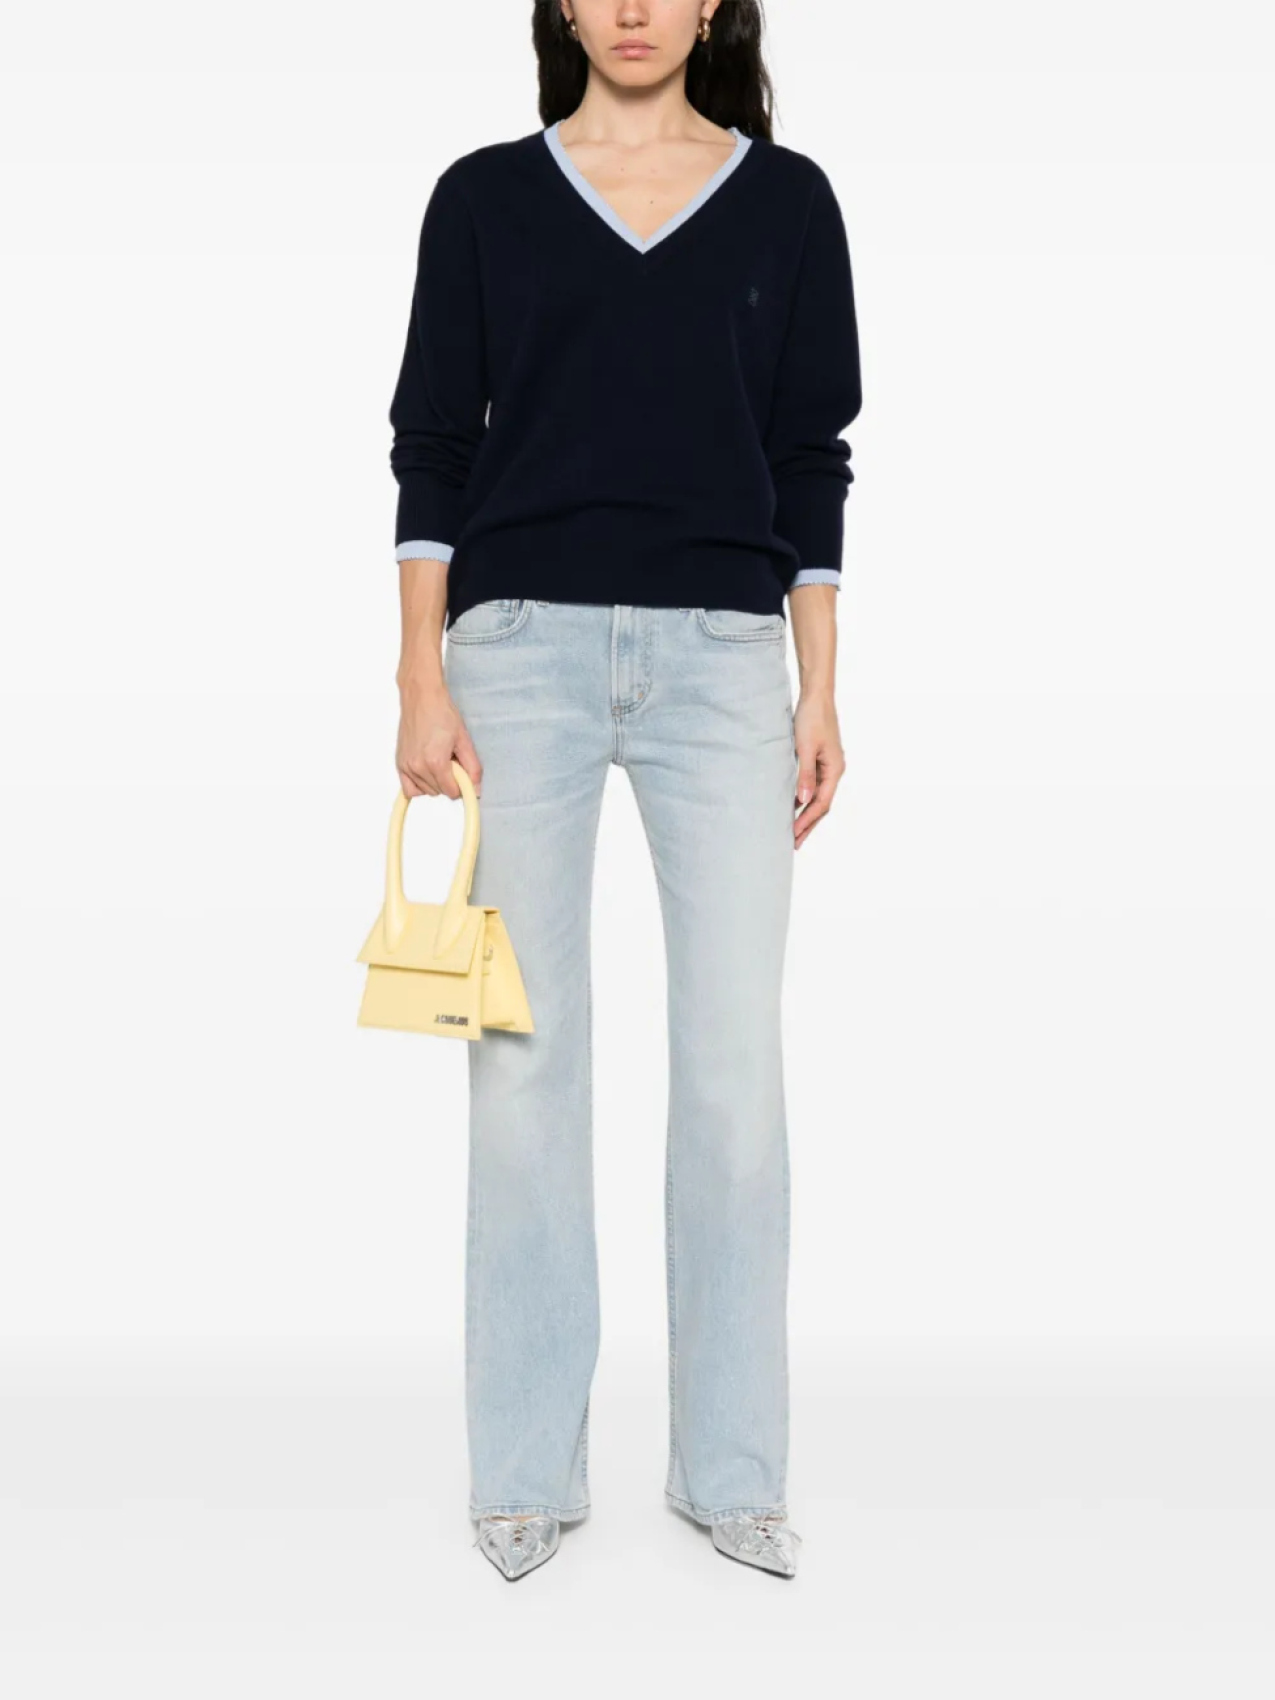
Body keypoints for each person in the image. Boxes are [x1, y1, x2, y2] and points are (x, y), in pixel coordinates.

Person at [387, 0, 861, 1581]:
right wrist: (419, 674)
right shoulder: (482, 198)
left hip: (724, 665)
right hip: (514, 655)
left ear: (718, 2)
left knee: (733, 1071)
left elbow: (810, 457)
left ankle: (733, 1470)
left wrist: (819, 685)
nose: (637, 7)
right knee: (521, 1066)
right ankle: (524, 1469)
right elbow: (432, 447)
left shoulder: (786, 202)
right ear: (561, 6)